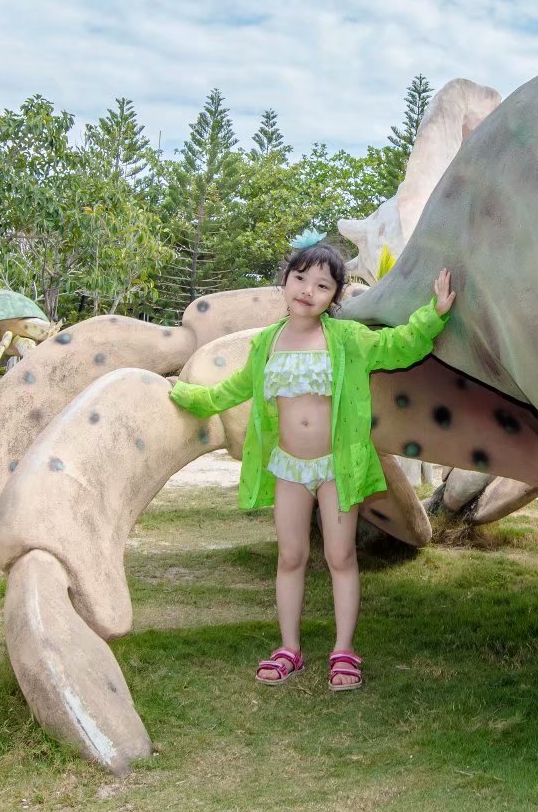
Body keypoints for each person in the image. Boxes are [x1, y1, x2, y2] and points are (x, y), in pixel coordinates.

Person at [170, 239, 456, 690]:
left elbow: (399, 346)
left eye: (322, 285)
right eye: (300, 278)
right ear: (284, 281)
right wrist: (189, 396)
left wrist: (433, 313)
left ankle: (343, 651)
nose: (308, 290)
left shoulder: (347, 340)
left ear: (334, 297)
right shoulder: (266, 343)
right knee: (291, 556)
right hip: (289, 468)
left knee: (340, 556)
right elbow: (233, 390)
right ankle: (289, 648)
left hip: (336, 467)